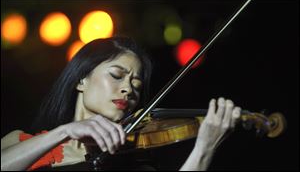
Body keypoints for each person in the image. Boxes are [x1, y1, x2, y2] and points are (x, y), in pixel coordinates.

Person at [1, 37, 241, 171]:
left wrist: (204, 149)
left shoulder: (132, 164)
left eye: (136, 84)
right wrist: (64, 131)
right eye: (117, 75)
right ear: (81, 79)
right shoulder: (22, 142)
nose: (128, 89)